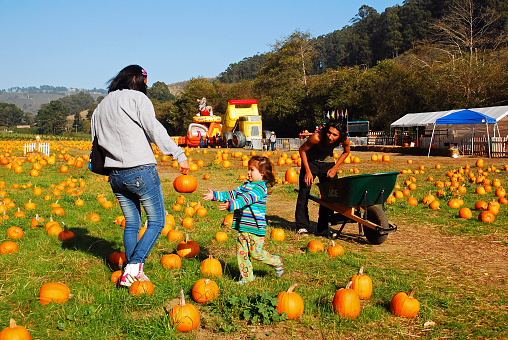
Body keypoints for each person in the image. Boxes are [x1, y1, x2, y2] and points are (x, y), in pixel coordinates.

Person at [91, 65, 190, 287]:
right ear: (135, 79)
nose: (146, 85)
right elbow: (154, 128)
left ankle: (129, 271)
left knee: (133, 223)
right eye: (145, 80)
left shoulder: (101, 105)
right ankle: (135, 267)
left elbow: (96, 140)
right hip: (140, 170)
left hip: (115, 174)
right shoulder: (137, 99)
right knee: (157, 221)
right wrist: (178, 153)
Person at [203, 156, 284, 284]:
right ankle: (247, 277)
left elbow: (246, 199)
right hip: (243, 227)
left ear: (262, 173)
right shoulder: (246, 185)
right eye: (248, 169)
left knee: (256, 254)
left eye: (252, 170)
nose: (248, 172)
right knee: (242, 254)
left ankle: (277, 261)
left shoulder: (260, 188)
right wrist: (215, 195)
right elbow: (232, 194)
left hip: (255, 229)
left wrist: (231, 205)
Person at [295, 120, 350, 236]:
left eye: (334, 135)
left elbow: (346, 152)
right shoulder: (317, 137)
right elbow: (302, 150)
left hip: (327, 162)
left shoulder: (344, 139)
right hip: (311, 162)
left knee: (330, 194)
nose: (330, 137)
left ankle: (323, 227)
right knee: (304, 191)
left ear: (340, 135)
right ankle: (302, 226)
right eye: (329, 133)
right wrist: (308, 171)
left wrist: (335, 168)